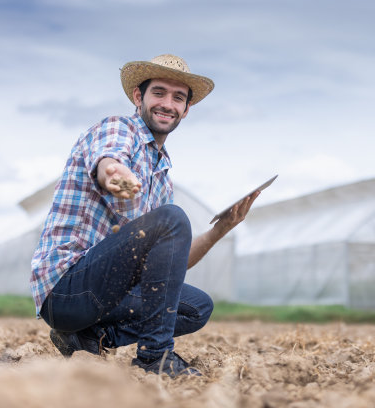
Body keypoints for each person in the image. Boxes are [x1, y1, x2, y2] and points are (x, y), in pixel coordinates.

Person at [30, 54, 259, 378]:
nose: (168, 103)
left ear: (186, 109)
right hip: (66, 290)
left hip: (101, 295)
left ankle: (88, 338)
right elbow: (109, 157)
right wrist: (114, 172)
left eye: (178, 97)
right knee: (173, 217)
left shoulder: (162, 171)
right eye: (159, 93)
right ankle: (155, 356)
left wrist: (221, 229)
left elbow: (168, 264)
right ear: (139, 97)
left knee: (196, 306)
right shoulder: (119, 129)